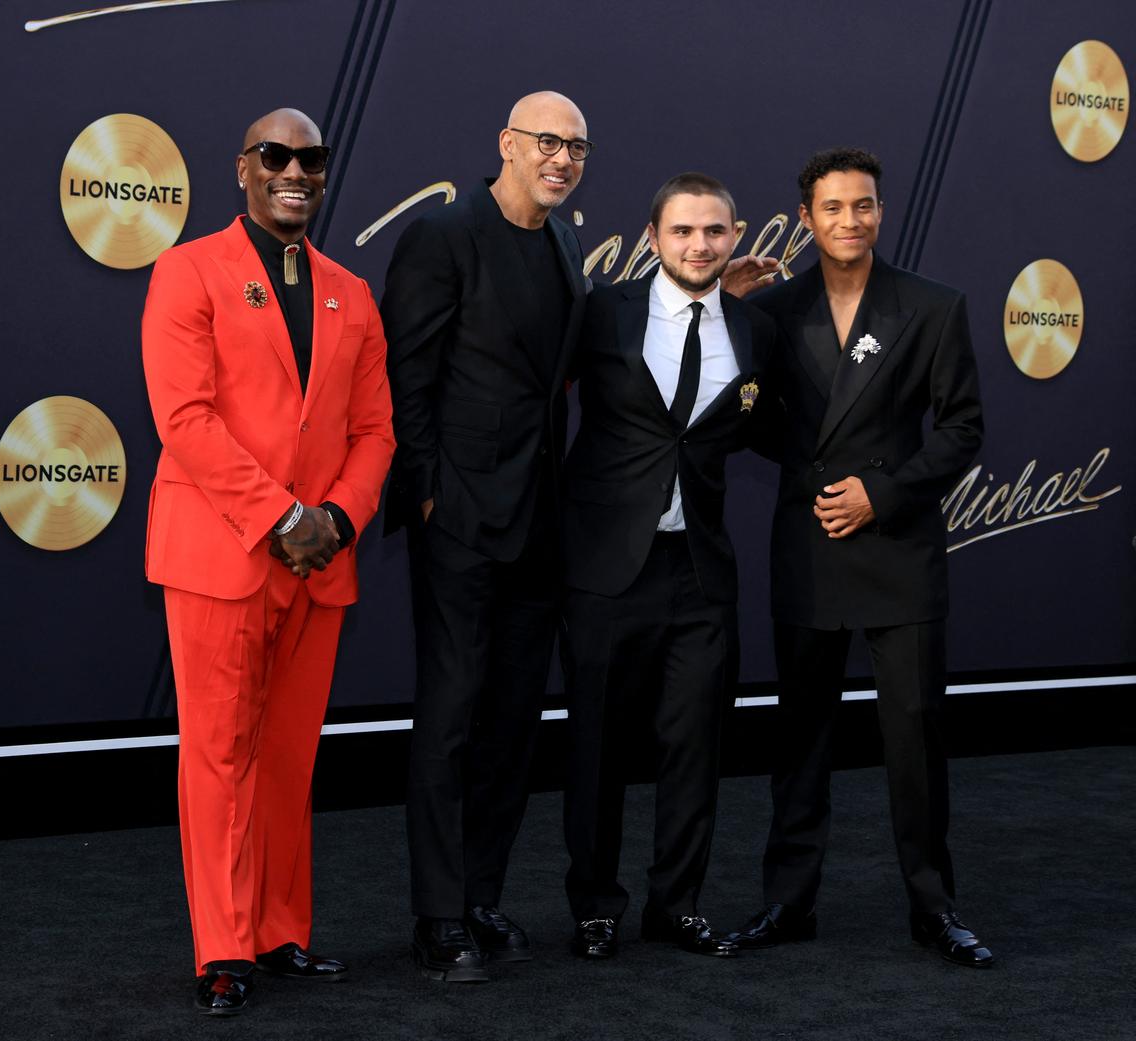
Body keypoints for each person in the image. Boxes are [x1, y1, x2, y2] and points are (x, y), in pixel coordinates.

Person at [141, 107, 395, 1014]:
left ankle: (282, 930)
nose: (295, 171)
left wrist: (334, 517)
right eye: (276, 156)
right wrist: (280, 515)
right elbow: (185, 419)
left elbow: (375, 431)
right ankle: (222, 947)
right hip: (222, 552)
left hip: (320, 561)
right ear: (242, 168)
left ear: (325, 173)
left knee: (289, 755)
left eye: (311, 159)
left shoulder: (351, 291)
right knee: (218, 753)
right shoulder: (187, 270)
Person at [728, 148, 993, 967]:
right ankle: (787, 902)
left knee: (914, 739)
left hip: (898, 547)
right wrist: (726, 312)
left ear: (882, 212)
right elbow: (744, 417)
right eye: (834, 207)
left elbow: (961, 429)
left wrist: (882, 493)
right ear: (805, 218)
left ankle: (934, 907)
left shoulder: (932, 306)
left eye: (865, 206)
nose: (852, 220)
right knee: (800, 738)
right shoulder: (772, 311)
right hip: (809, 545)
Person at [379, 91, 593, 982]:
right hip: (461, 520)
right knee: (452, 714)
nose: (564, 158)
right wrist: (429, 497)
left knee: (512, 720)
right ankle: (437, 915)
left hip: (541, 522)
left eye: (577, 147)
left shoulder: (565, 242)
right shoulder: (444, 234)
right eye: (548, 141)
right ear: (507, 143)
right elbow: (405, 376)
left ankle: (480, 894)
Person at [561, 173, 774, 961]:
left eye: (714, 231)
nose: (699, 245)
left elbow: (770, 428)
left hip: (700, 571)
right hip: (606, 569)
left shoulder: (755, 334)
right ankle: (594, 903)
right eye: (682, 231)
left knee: (695, 745)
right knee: (598, 746)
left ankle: (676, 903)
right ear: (653, 237)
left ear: (735, 235)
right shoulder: (602, 315)